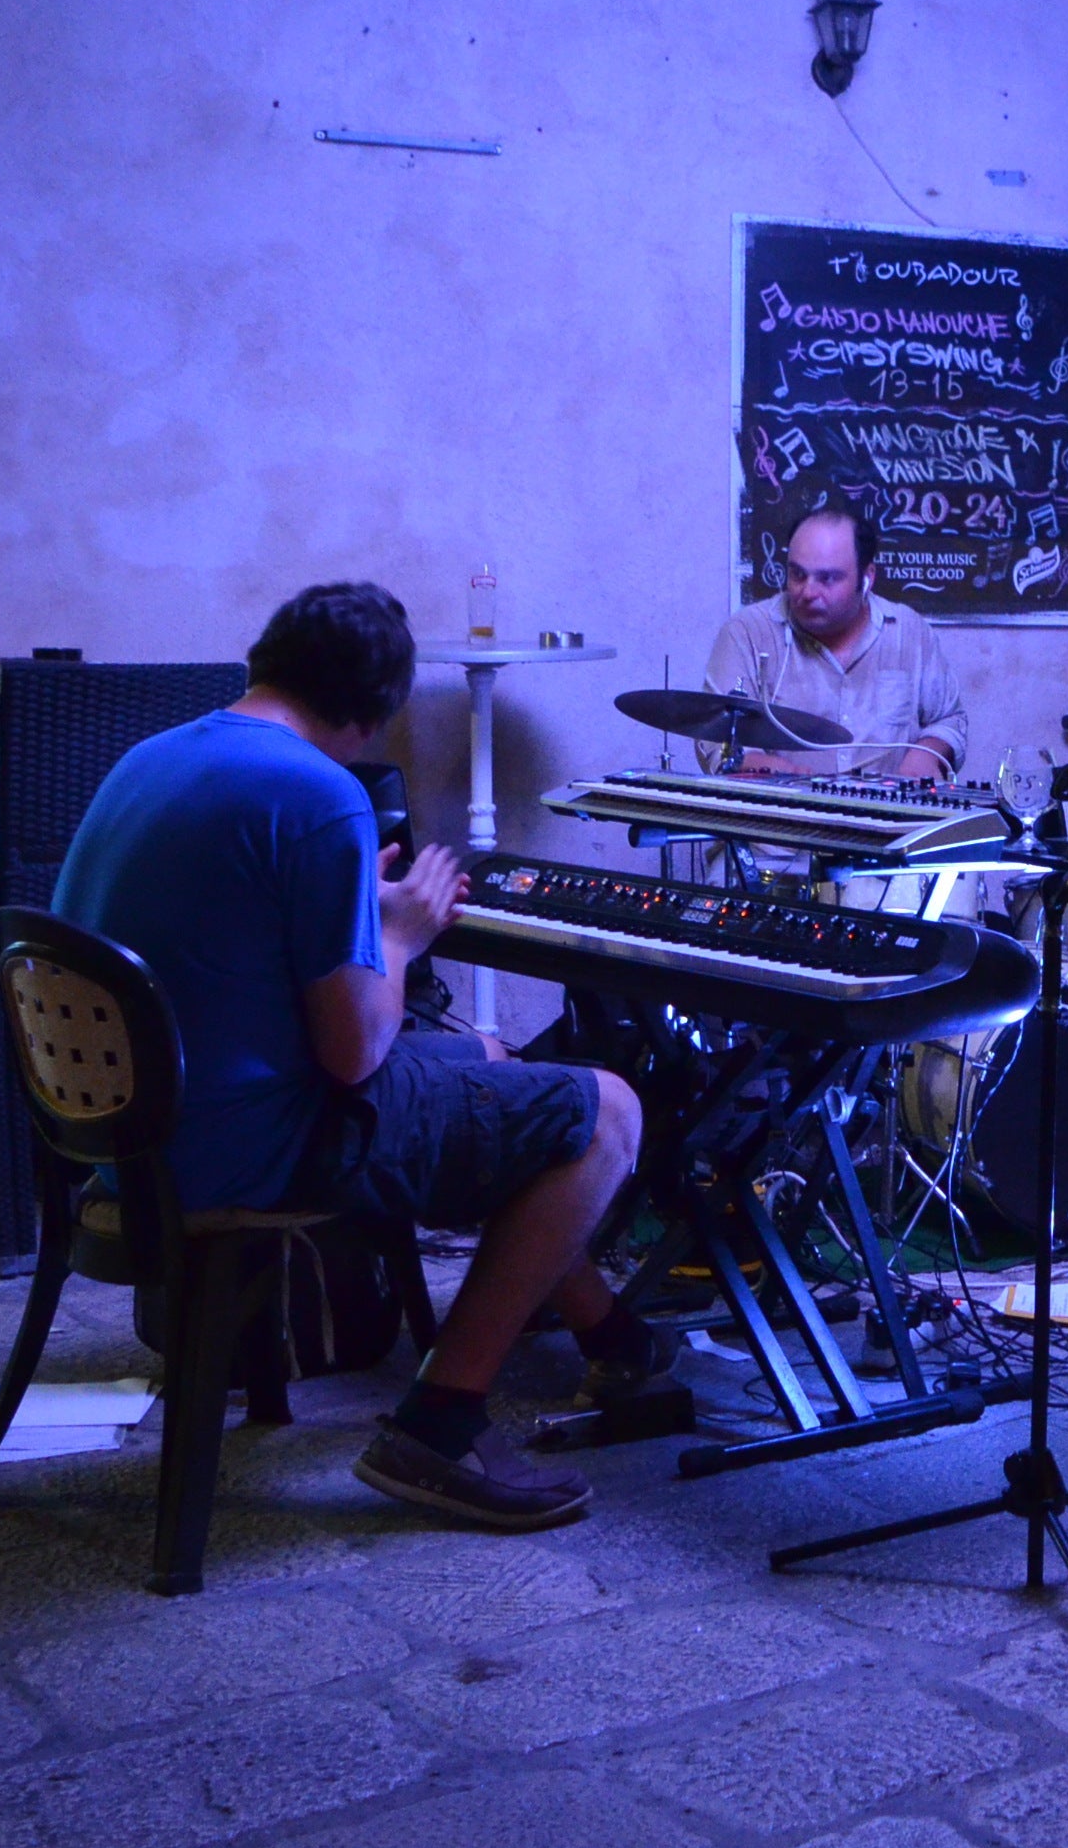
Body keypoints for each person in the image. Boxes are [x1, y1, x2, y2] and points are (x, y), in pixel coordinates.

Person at [55, 581, 657, 1529]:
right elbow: (354, 1056)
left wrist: (353, 913)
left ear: (267, 661)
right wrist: (407, 932)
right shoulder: (319, 793)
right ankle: (439, 1424)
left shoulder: (153, 757)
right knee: (607, 1111)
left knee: (494, 1063)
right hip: (247, 1147)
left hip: (126, 1141)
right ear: (373, 713)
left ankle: (617, 1340)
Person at [703, 505, 969, 782]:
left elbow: (949, 719)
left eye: (827, 579)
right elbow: (717, 734)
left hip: (889, 818)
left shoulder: (908, 632)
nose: (808, 592)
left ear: (867, 578)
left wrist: (928, 752)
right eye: (797, 575)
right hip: (784, 814)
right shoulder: (747, 632)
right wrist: (755, 763)